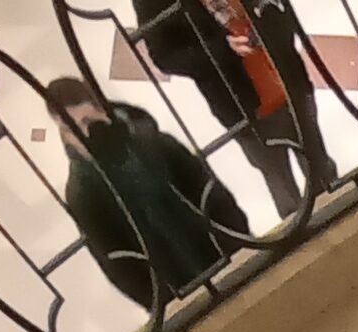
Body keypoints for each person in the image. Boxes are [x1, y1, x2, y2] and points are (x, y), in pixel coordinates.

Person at [44, 78, 247, 309]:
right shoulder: (82, 194)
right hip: (181, 301)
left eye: (87, 121)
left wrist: (240, 246)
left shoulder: (156, 143)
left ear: (102, 111)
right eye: (71, 129)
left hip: (232, 261)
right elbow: (116, 265)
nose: (83, 134)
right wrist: (165, 305)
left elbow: (212, 193)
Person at [132, 0, 334, 217]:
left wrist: (275, 26)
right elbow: (165, 56)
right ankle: (304, 230)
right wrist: (221, 49)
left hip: (288, 76)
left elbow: (278, 8)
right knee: (284, 190)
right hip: (239, 102)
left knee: (322, 171)